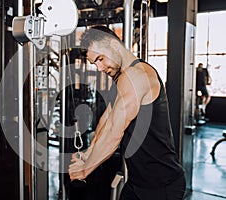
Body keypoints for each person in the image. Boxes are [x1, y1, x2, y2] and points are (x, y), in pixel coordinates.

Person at [68, 26, 186, 200]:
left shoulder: (137, 76)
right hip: (137, 183)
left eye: (100, 59)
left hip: (162, 187)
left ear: (114, 45)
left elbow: (114, 133)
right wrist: (89, 152)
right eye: (95, 63)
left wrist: (85, 170)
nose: (99, 67)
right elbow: (107, 120)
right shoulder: (121, 79)